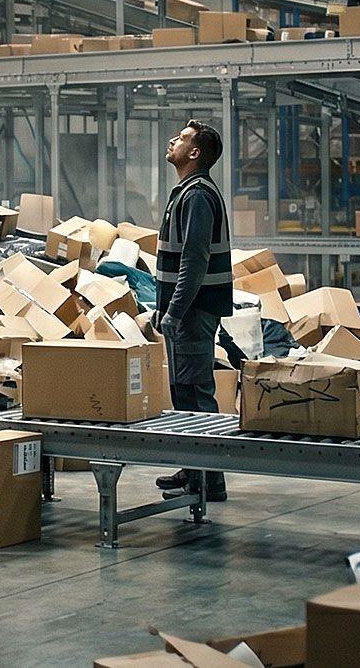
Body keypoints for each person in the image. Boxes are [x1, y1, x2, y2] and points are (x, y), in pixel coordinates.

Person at [153, 119, 234, 501]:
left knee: (196, 395)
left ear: (195, 153)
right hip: (186, 310)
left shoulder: (197, 194)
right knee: (185, 393)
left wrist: (175, 310)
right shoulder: (187, 191)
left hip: (193, 311)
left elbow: (195, 259)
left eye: (182, 139)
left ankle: (208, 479)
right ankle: (196, 472)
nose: (174, 140)